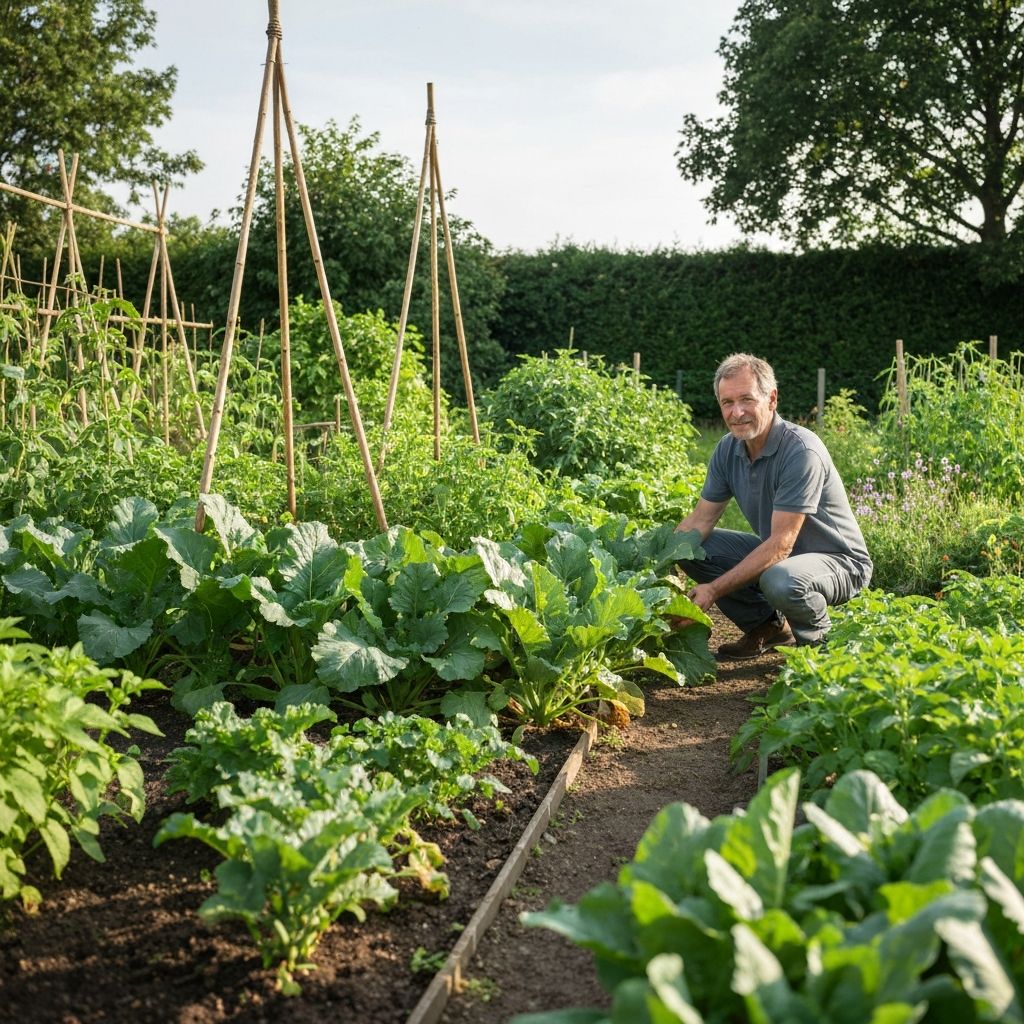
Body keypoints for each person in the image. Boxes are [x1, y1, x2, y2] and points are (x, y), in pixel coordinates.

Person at [675, 352, 872, 660]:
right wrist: (649, 567)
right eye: (727, 402)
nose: (737, 412)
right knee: (695, 547)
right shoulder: (728, 450)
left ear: (772, 398)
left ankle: (821, 654)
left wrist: (712, 589)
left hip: (839, 562)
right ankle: (769, 627)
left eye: (747, 399)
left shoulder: (800, 451)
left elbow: (781, 545)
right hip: (785, 556)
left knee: (780, 579)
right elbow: (700, 521)